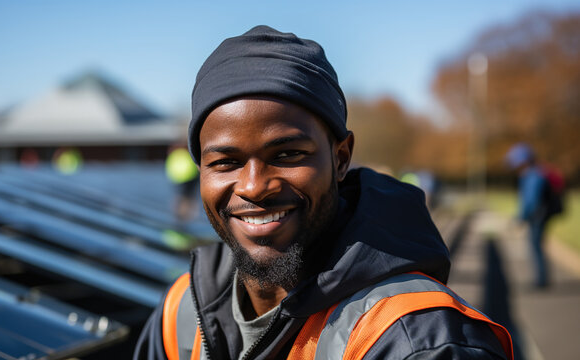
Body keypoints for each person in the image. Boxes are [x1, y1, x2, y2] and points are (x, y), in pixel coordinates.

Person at [135, 26, 512, 359]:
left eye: (287, 154)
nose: (254, 186)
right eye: (225, 162)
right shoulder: (182, 310)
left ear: (341, 158)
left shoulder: (416, 339)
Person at [505, 143, 554, 289]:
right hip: (539, 214)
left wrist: (521, 218)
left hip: (537, 215)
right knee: (537, 245)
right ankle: (541, 278)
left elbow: (531, 200)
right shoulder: (536, 173)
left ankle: (541, 280)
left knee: (535, 245)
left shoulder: (532, 175)